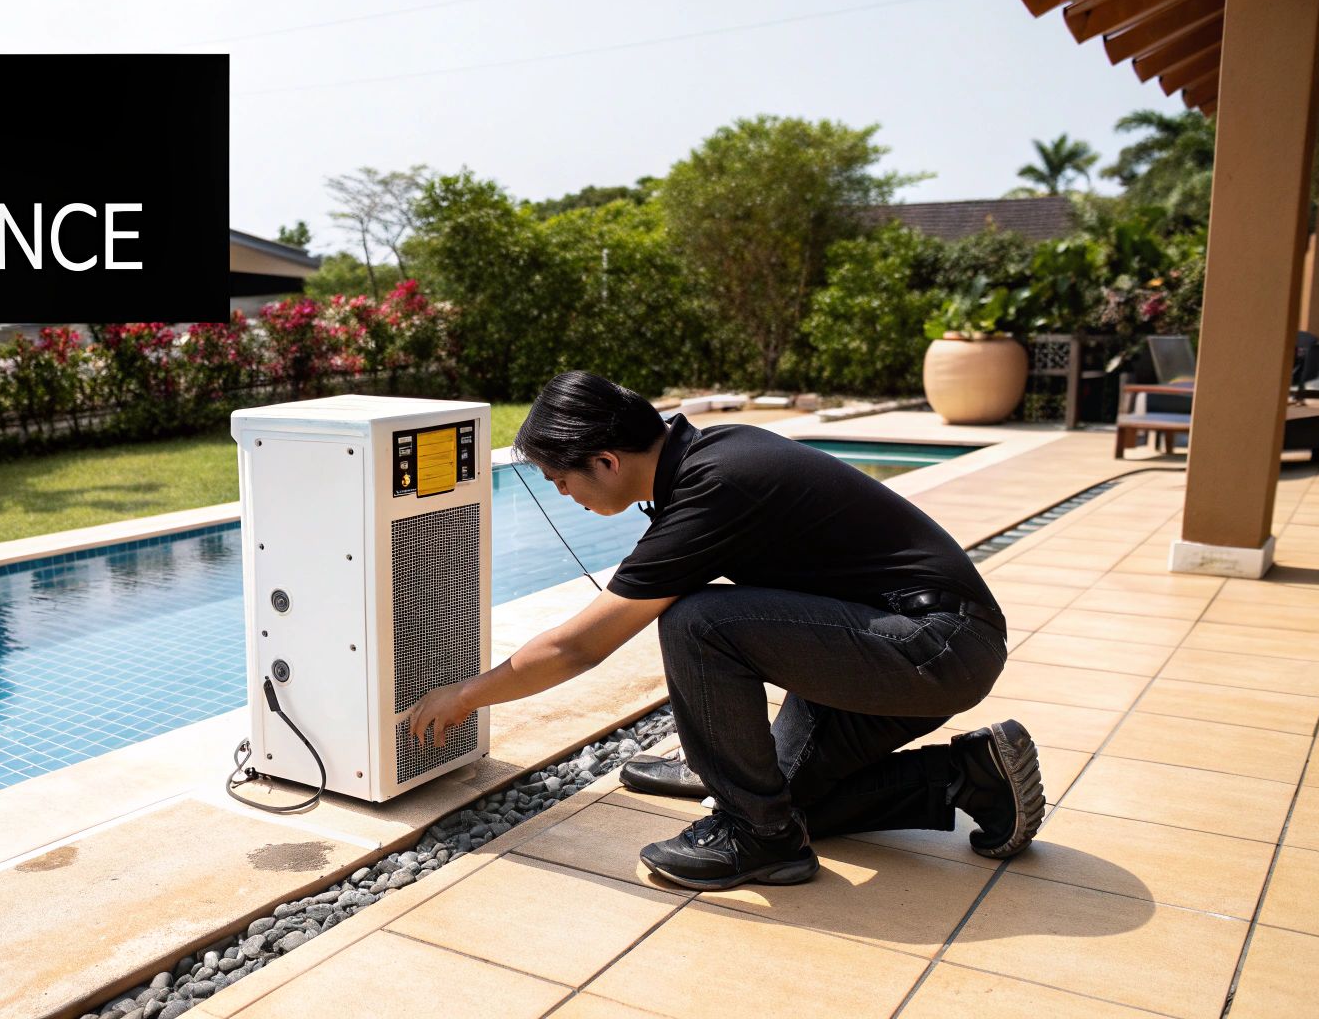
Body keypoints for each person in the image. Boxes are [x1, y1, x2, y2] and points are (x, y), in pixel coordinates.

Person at [402, 371, 1043, 891]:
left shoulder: (714, 485)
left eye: (559, 478)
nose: (561, 493)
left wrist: (465, 695)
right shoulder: (709, 460)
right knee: (784, 805)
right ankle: (970, 775)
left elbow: (579, 646)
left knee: (696, 620)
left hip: (933, 647)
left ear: (605, 460)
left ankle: (755, 842)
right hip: (906, 645)